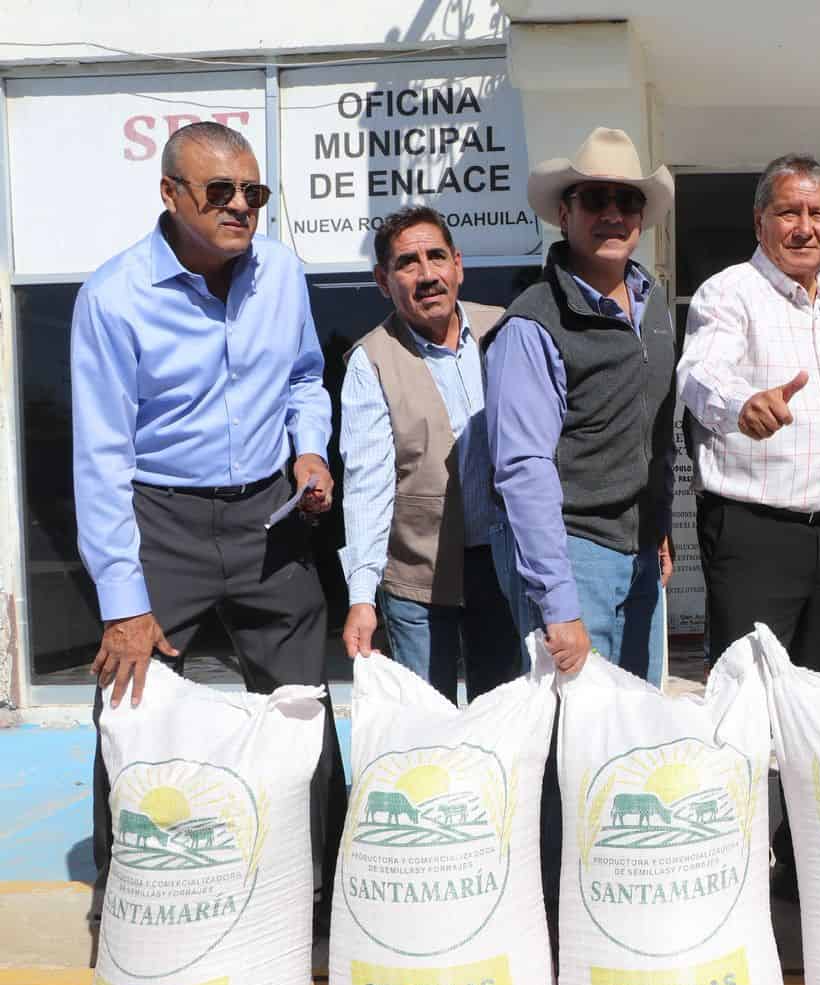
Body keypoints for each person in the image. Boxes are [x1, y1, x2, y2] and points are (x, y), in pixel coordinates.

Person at [71, 120, 346, 931]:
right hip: (164, 524)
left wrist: (308, 454)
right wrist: (124, 603)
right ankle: (126, 897)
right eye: (219, 191)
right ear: (170, 194)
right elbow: (99, 457)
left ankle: (320, 893)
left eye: (253, 193)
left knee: (302, 703)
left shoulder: (283, 275)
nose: (240, 206)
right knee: (130, 706)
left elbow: (304, 378)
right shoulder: (114, 297)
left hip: (271, 517)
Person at [484, 127, 676, 683]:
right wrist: (558, 603)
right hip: (573, 553)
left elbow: (654, 430)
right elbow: (523, 469)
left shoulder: (653, 304)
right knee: (571, 739)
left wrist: (658, 525)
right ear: (564, 214)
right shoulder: (532, 323)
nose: (613, 213)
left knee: (632, 738)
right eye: (595, 198)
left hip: (640, 554)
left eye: (628, 200)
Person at [678, 153, 820, 674]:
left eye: (819, 214)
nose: (804, 228)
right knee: (748, 702)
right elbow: (699, 372)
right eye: (789, 213)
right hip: (755, 536)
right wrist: (741, 405)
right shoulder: (729, 292)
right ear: (759, 221)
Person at [338, 206, 520, 701]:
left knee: (505, 720)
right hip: (418, 578)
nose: (426, 275)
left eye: (436, 257)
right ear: (382, 280)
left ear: (458, 265)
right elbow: (367, 485)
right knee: (426, 726)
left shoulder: (507, 329)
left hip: (506, 569)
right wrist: (361, 598)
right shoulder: (370, 360)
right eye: (407, 263)